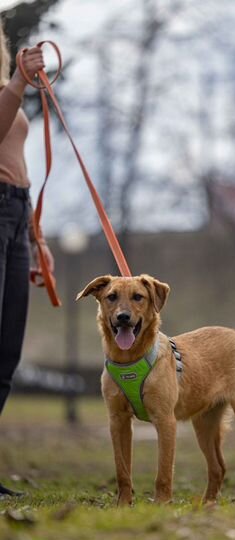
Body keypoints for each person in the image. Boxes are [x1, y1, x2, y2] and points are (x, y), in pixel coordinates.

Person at [0, 21, 54, 496]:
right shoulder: (8, 93)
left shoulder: (4, 91)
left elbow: (18, 165)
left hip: (15, 213)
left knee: (6, 352)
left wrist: (37, 238)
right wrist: (19, 81)